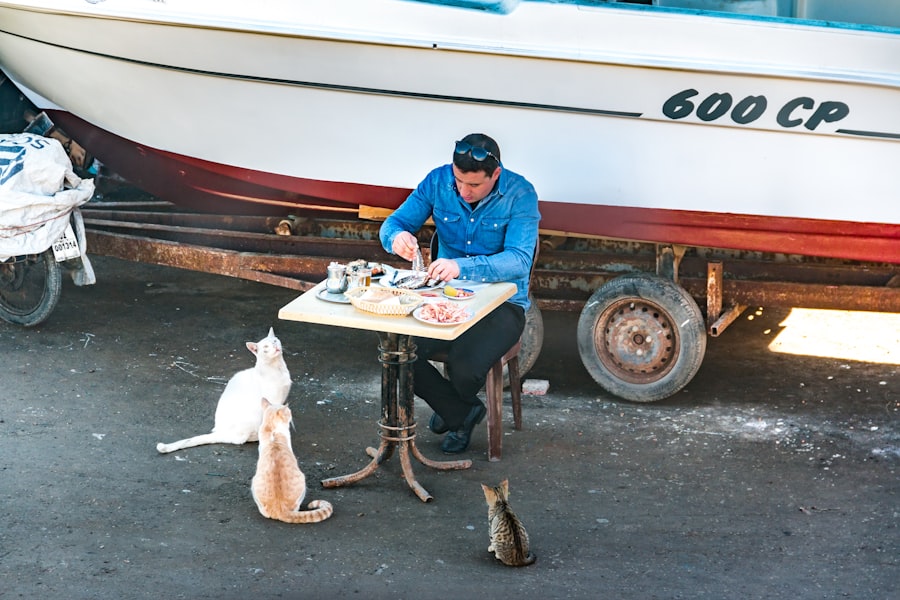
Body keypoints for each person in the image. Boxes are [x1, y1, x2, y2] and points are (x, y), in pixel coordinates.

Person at [379, 133, 540, 454]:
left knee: (465, 367)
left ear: (495, 174)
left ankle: (452, 409)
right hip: (445, 297)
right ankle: (461, 412)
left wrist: (461, 267)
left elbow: (520, 261)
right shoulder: (438, 181)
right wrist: (396, 237)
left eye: (474, 186)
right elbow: (393, 223)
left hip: (504, 304)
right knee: (396, 350)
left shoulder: (521, 193)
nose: (464, 192)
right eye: (459, 182)